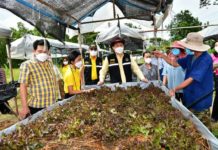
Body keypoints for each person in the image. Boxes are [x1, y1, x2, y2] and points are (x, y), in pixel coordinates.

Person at [154, 32, 213, 124]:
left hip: (201, 97)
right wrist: (162, 55)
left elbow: (191, 78)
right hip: (189, 96)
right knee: (191, 124)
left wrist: (175, 88)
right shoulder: (190, 57)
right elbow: (175, 64)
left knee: (202, 125)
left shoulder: (206, 59)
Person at [18, 39, 57, 119]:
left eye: (45, 52)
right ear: (34, 51)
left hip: (51, 104)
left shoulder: (50, 63)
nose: (43, 54)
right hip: (36, 106)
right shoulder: (27, 65)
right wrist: (25, 107)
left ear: (48, 51)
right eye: (40, 51)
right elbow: (23, 86)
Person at [211, 42, 218, 121]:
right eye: (216, 45)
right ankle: (214, 116)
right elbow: (210, 67)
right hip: (216, 76)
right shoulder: (212, 56)